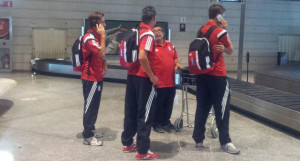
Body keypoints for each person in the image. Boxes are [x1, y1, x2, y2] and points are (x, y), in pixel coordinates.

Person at [192, 4, 240, 154]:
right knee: (222, 110)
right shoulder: (220, 31)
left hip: (202, 75)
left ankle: (198, 140)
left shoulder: (201, 30)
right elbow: (230, 50)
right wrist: (225, 29)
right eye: (222, 16)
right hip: (217, 76)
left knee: (202, 108)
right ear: (219, 16)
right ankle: (225, 142)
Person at [121, 6, 159, 160]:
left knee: (131, 110)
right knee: (145, 113)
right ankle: (143, 151)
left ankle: (128, 143)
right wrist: (152, 76)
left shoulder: (135, 31)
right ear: (153, 18)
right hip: (144, 79)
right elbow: (143, 56)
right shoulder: (148, 33)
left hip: (132, 76)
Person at [81, 11, 107, 146]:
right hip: (90, 78)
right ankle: (87, 136)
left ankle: (91, 129)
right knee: (90, 107)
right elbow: (101, 52)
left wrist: (104, 62)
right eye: (103, 22)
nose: (105, 24)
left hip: (97, 77)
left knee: (95, 106)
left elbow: (100, 56)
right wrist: (103, 37)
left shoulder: (95, 37)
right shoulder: (89, 38)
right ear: (96, 24)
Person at [151, 25, 182, 133]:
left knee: (169, 104)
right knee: (158, 105)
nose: (157, 33)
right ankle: (156, 124)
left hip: (171, 81)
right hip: (158, 82)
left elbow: (175, 57)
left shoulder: (170, 44)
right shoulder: (151, 46)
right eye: (154, 31)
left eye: (159, 31)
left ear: (163, 33)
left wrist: (177, 63)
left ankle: (166, 122)